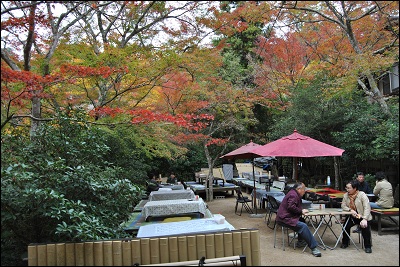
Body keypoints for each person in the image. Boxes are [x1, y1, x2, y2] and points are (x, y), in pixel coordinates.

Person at [276, 182, 322, 257]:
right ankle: (314, 248)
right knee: (303, 226)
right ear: (299, 189)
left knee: (302, 220)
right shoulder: (293, 195)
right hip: (284, 218)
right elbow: (291, 207)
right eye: (304, 189)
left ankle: (300, 241)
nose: (305, 191)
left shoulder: (293, 193)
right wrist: (301, 211)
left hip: (285, 217)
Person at [341, 180, 373, 253]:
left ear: (355, 188)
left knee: (365, 227)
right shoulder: (346, 195)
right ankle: (345, 242)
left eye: (349, 188)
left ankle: (367, 246)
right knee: (346, 226)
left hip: (364, 216)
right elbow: (343, 205)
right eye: (346, 188)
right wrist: (350, 210)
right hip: (353, 216)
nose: (347, 190)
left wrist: (364, 219)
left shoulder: (362, 195)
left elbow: (367, 207)